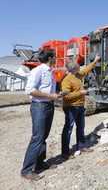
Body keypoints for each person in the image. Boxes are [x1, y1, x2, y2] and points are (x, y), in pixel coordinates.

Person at [21, 49, 61, 181]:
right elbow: (30, 90)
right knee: (37, 137)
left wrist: (57, 95)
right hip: (39, 107)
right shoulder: (38, 71)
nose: (56, 58)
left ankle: (39, 164)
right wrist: (50, 96)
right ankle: (26, 170)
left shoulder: (51, 72)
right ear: (50, 58)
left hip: (48, 105)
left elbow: (49, 90)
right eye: (54, 56)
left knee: (44, 136)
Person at [61, 55, 100, 159]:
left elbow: (86, 69)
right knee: (68, 128)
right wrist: (81, 92)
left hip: (80, 106)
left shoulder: (78, 75)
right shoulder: (67, 80)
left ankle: (81, 146)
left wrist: (95, 61)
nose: (80, 68)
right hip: (71, 107)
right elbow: (66, 96)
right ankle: (65, 153)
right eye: (78, 67)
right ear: (73, 69)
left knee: (81, 127)